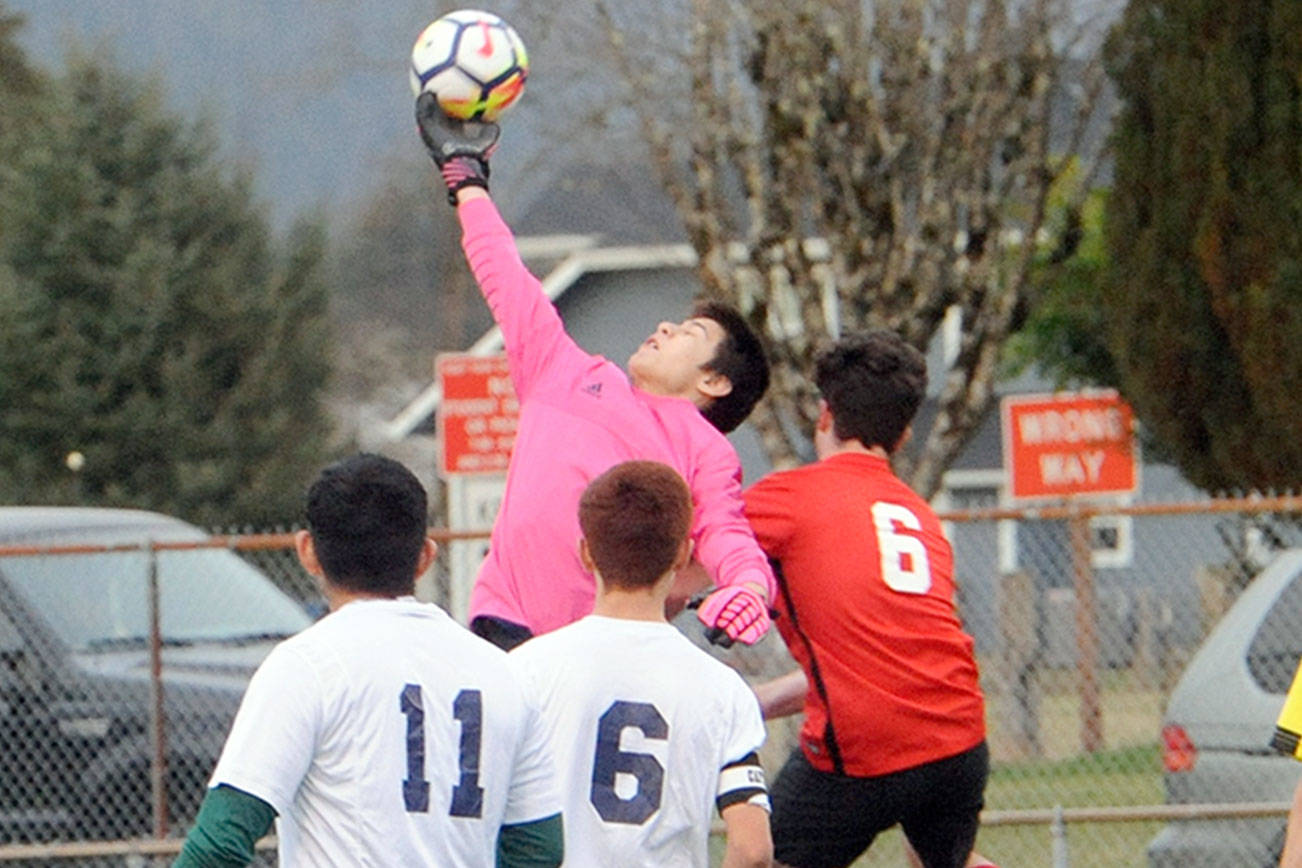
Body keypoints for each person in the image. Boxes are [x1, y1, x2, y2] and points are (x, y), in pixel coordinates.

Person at [415, 93, 777, 651]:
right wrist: (467, 182)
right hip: (502, 627)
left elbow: (726, 534)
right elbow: (506, 276)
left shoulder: (703, 449)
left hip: (601, 648)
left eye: (690, 333)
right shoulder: (562, 369)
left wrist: (750, 588)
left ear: (715, 382)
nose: (664, 327)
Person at [173, 454, 562, 867]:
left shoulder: (305, 665)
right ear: (425, 556)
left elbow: (218, 845)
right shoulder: (503, 672)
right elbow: (539, 847)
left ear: (307, 551)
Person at [744, 332, 991, 868]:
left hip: (864, 750)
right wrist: (763, 699)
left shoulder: (787, 496)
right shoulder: (918, 515)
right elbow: (873, 661)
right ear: (903, 437)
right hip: (959, 740)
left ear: (825, 415)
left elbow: (673, 565)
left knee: (758, 857)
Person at [508, 460, 773, 868]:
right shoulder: (722, 689)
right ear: (684, 553)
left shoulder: (525, 671)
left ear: (586, 553)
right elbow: (753, 850)